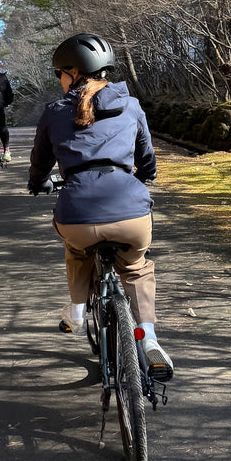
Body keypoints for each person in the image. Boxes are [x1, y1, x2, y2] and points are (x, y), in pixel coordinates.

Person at [27, 32, 173, 378]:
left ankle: (77, 312)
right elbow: (147, 158)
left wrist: (38, 184)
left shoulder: (54, 112)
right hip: (131, 213)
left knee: (77, 249)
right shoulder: (132, 105)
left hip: (77, 214)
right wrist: (145, 176)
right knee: (136, 267)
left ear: (73, 73)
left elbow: (39, 163)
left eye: (60, 73)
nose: (59, 80)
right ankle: (148, 336)